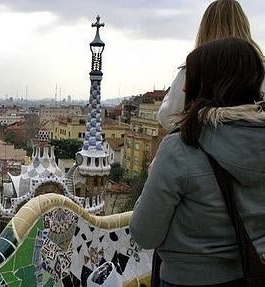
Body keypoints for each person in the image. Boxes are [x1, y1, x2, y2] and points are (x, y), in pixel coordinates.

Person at [130, 37, 265, 286]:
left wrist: (153, 176)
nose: (183, 88)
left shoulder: (181, 148)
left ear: (210, 83)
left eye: (191, 78)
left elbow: (144, 233)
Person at [157, 0, 265, 130]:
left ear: (205, 29)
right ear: (244, 25)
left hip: (202, 145)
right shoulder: (260, 68)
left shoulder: (193, 69)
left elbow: (167, 117)